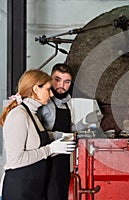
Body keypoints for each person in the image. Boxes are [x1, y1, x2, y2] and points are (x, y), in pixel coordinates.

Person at [0, 69, 76, 200]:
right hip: (20, 189)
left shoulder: (32, 114)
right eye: (48, 89)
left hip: (33, 186)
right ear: (36, 89)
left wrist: (64, 138)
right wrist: (51, 149)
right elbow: (16, 160)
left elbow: (40, 138)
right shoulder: (18, 115)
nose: (51, 94)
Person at [38, 63, 102, 200]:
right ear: (50, 79)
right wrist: (69, 136)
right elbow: (39, 135)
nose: (61, 85)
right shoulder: (43, 104)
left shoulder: (66, 103)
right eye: (57, 80)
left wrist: (85, 122)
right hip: (46, 160)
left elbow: (68, 128)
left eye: (66, 82)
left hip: (64, 160)